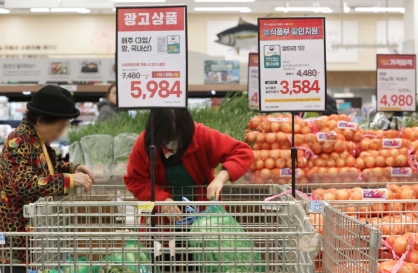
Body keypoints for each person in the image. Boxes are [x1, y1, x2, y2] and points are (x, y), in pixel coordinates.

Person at [0, 85, 94, 273]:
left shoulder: (38, 139)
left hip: (36, 232)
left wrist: (73, 168)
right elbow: (24, 185)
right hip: (18, 236)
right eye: (60, 127)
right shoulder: (18, 141)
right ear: (41, 120)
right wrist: (68, 180)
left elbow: (48, 168)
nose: (61, 133)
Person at [124, 108, 253, 212]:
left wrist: (220, 178)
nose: (172, 142)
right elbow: (135, 180)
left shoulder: (201, 135)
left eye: (177, 135)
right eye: (167, 136)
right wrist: (160, 199)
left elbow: (242, 152)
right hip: (163, 221)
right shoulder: (146, 142)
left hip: (205, 215)